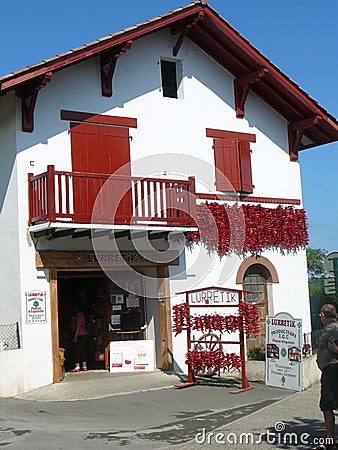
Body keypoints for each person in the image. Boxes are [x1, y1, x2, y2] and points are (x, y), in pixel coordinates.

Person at [313, 303, 338, 450]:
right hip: (331, 369)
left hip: (332, 371)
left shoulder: (333, 330)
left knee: (326, 404)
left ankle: (329, 440)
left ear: (323, 315)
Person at [69, 304, 88, 373]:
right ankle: (84, 365)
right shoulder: (82, 314)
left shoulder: (78, 315)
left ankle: (77, 366)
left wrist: (75, 336)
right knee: (83, 350)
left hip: (79, 334)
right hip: (84, 333)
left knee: (77, 350)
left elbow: (78, 326)